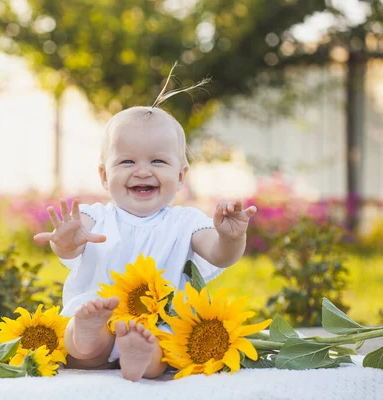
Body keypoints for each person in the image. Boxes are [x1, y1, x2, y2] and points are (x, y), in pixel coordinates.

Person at [33, 105, 257, 382]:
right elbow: (71, 245)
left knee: (162, 350)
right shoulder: (95, 216)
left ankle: (140, 356)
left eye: (157, 162)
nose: (142, 172)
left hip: (160, 324)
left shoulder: (186, 221)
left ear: (180, 176)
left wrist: (231, 238)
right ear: (104, 175)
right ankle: (87, 337)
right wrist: (66, 241)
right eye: (127, 162)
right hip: (99, 312)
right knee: (78, 340)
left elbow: (218, 254)